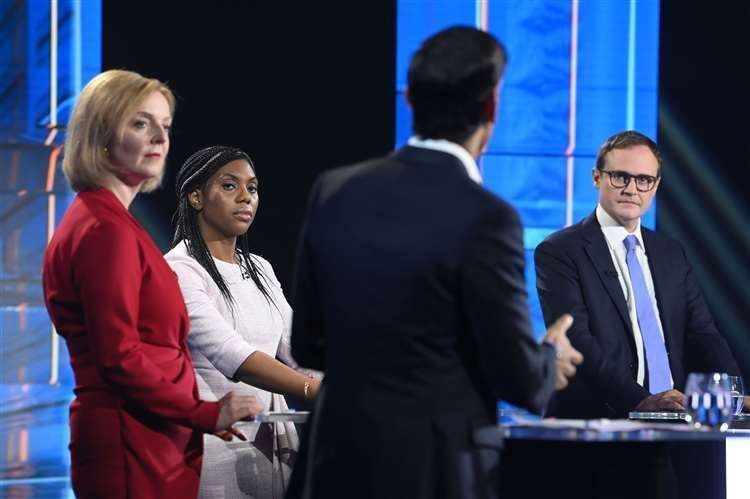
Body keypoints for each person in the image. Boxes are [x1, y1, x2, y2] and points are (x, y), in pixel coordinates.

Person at [288, 26, 583, 499]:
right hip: (435, 470)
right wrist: (550, 359)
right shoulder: (487, 216)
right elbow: (517, 376)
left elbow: (308, 343)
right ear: (491, 108)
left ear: (410, 100)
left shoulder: (335, 188)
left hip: (335, 462)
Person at [42, 70, 261, 499]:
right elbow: (119, 356)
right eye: (140, 123)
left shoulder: (108, 221)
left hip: (150, 440)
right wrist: (206, 413)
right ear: (101, 134)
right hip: (131, 444)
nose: (159, 138)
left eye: (165, 126)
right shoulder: (104, 229)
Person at [535, 130, 740, 419]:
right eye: (620, 176)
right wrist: (640, 401)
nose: (632, 189)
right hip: (598, 421)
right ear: (597, 178)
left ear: (656, 186)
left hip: (674, 420)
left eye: (644, 180)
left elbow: (702, 333)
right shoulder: (559, 250)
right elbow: (577, 340)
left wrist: (732, 393)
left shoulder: (671, 252)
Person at [165, 145, 322, 498]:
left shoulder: (260, 268)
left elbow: (299, 349)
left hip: (274, 447)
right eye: (229, 186)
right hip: (214, 447)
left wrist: (343, 387)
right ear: (196, 197)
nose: (245, 198)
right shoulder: (179, 268)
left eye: (252, 188)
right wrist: (316, 392)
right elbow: (232, 354)